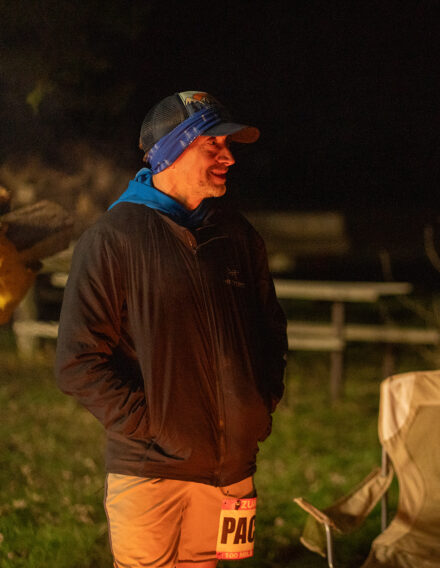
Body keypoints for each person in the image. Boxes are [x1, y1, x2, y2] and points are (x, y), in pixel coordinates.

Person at [55, 91, 288, 567]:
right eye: (212, 145)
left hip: (232, 473)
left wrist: (257, 407)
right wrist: (153, 427)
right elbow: (77, 363)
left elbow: (270, 332)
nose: (228, 157)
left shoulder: (237, 235)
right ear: (172, 150)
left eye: (229, 145)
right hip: (151, 474)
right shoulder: (114, 239)